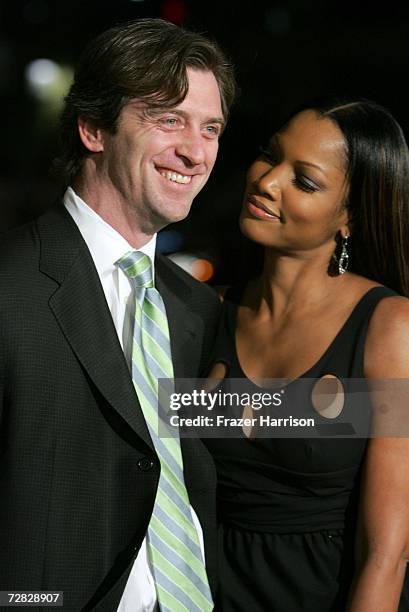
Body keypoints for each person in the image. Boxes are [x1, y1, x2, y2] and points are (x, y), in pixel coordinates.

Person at [0, 18, 235, 611]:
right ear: (93, 128)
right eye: (168, 120)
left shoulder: (197, 310)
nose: (195, 150)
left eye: (211, 128)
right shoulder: (10, 287)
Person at [203, 97, 409, 611]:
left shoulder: (389, 327)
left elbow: (386, 551)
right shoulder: (210, 313)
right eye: (270, 156)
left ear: (350, 218)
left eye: (305, 181)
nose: (267, 181)